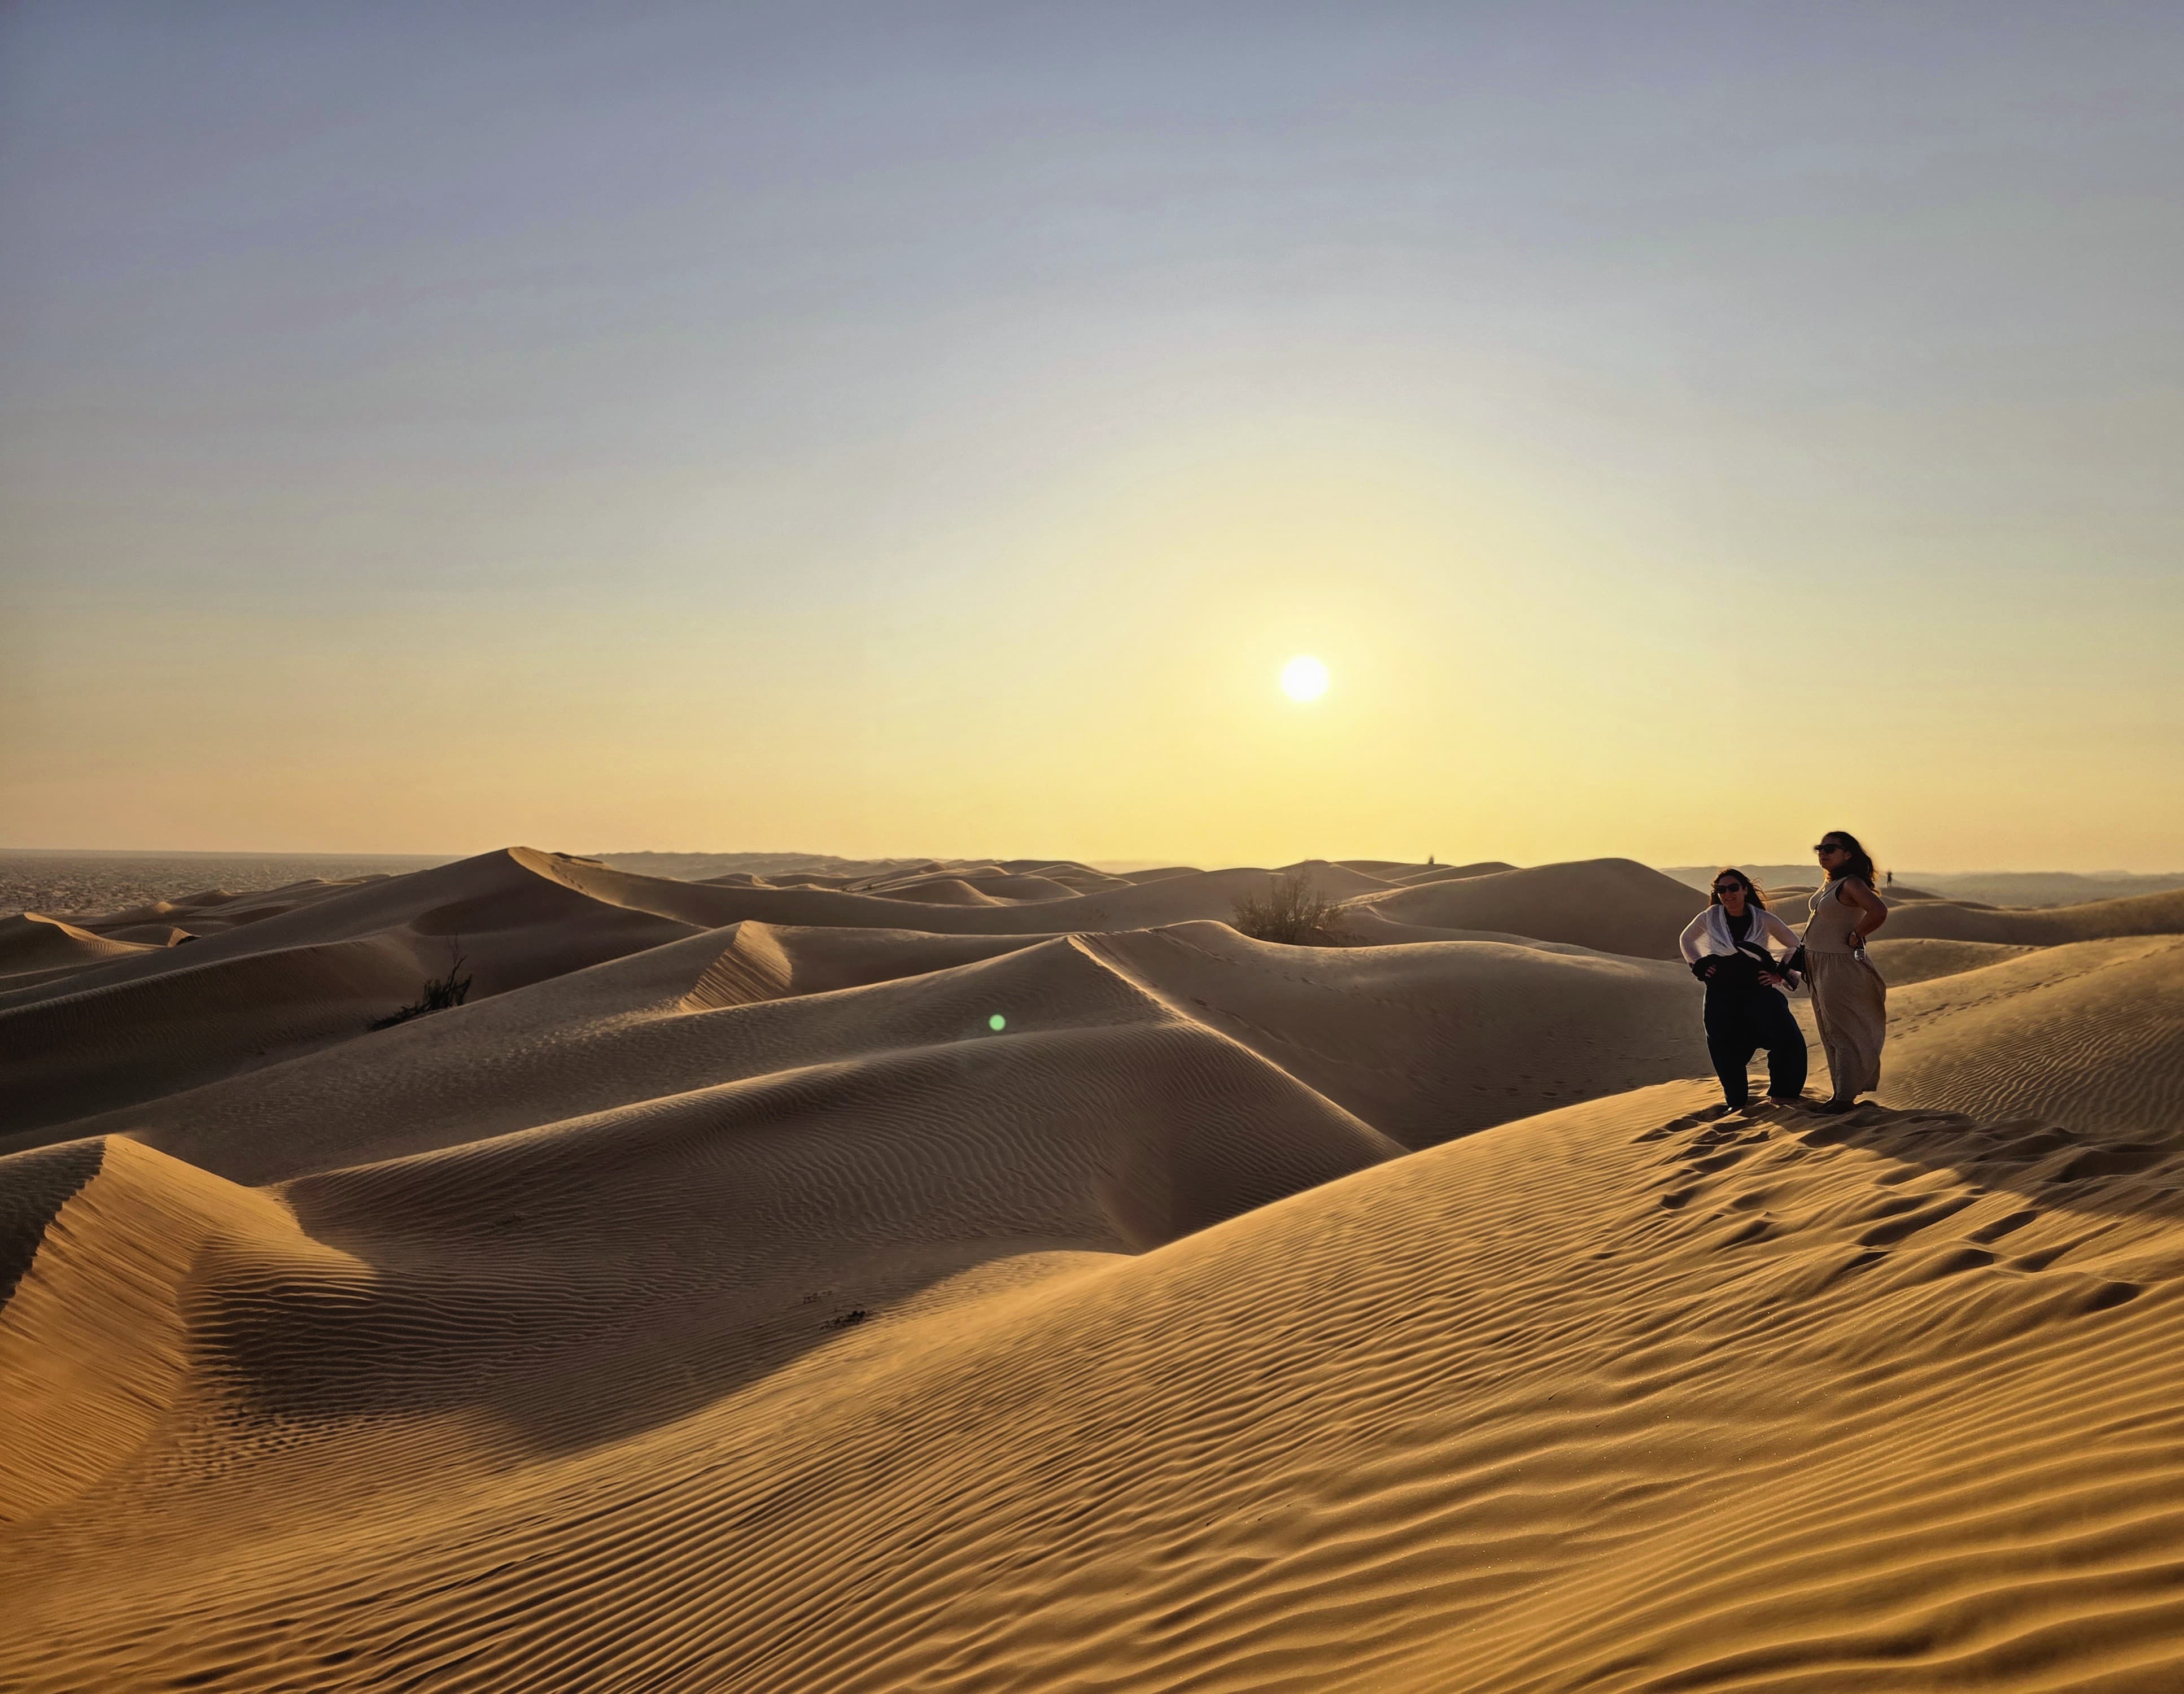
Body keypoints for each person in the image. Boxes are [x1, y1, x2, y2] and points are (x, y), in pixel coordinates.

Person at [1677, 868, 1809, 1110]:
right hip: (1721, 992)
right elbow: (1686, 940)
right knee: (1723, 1046)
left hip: (1756, 988)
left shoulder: (1763, 918)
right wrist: (1700, 965)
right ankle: (1736, 1103)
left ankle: (1783, 1094)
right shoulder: (1710, 916)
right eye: (1722, 890)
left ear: (1745, 890)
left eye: (1734, 888)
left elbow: (1795, 945)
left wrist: (1778, 974)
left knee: (1787, 1037)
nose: (1728, 894)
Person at [1805, 830, 1889, 1112]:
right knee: (1830, 1030)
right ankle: (1841, 1093)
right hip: (1819, 965)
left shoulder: (1851, 883)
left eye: (1831, 848)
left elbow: (1878, 911)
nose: (1823, 852)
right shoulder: (1833, 883)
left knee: (1842, 1030)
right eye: (1820, 847)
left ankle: (1843, 1099)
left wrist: (1857, 935)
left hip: (1838, 965)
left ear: (1848, 854)